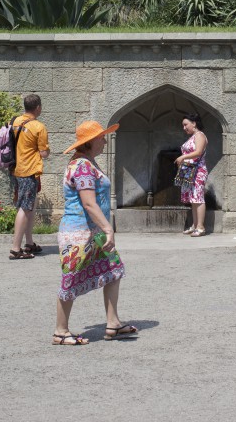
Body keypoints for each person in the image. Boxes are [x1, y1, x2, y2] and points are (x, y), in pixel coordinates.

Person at [53, 120, 137, 346]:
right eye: (101, 137)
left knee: (114, 269)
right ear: (90, 142)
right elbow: (89, 203)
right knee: (70, 278)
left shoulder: (89, 163)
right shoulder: (82, 166)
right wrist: (109, 228)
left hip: (94, 231)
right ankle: (60, 331)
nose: (105, 140)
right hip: (79, 233)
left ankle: (113, 323)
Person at [9, 94, 49, 260]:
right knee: (25, 208)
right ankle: (15, 248)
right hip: (29, 170)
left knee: (30, 206)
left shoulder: (15, 122)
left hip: (17, 169)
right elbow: (44, 153)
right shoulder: (38, 127)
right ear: (38, 107)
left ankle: (29, 243)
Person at [174, 112, 209, 236]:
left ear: (194, 123)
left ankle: (200, 227)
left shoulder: (199, 135)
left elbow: (198, 152)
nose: (184, 128)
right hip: (190, 172)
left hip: (198, 171)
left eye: (185, 125)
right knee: (193, 199)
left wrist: (183, 157)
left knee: (198, 198)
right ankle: (195, 225)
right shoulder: (193, 136)